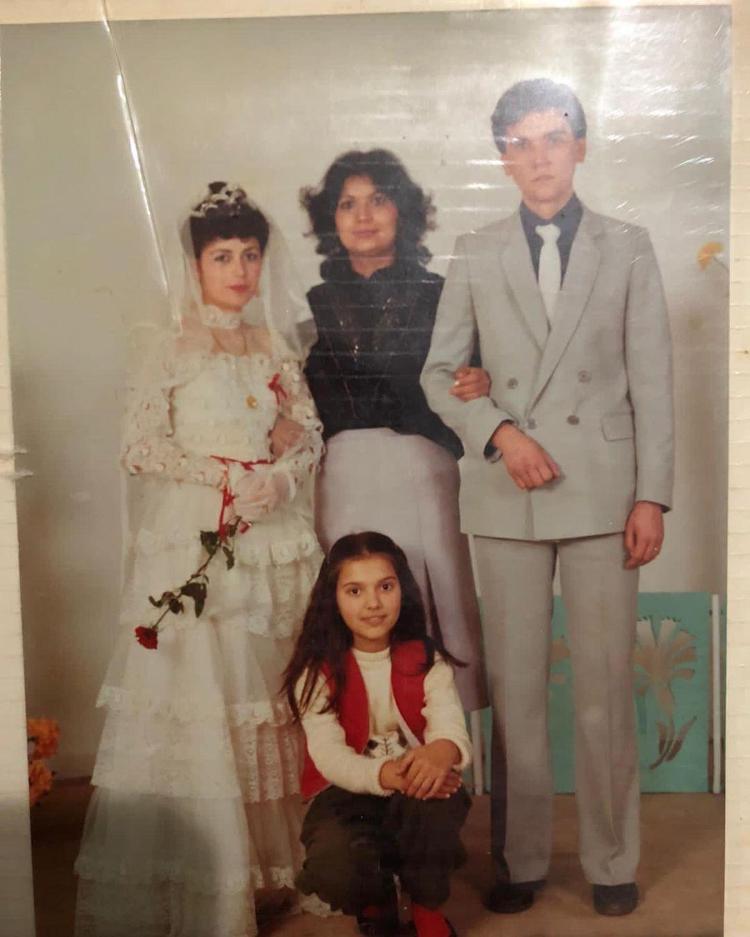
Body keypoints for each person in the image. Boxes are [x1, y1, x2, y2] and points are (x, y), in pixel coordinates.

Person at [421, 79, 674, 917]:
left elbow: (653, 380)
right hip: (508, 495)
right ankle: (521, 857)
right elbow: (439, 374)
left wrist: (653, 496)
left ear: (581, 147)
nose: (539, 157)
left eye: (554, 138)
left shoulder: (628, 246)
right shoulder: (475, 248)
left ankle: (612, 859)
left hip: (605, 495)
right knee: (518, 692)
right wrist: (500, 430)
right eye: (521, 143)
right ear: (502, 158)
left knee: (604, 687)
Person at [74, 183, 324, 937]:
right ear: (195, 265)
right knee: (203, 695)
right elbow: (139, 446)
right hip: (196, 534)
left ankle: (264, 872)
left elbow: (308, 432)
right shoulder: (168, 344)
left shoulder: (275, 346)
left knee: (263, 693)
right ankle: (207, 886)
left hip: (267, 531)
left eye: (250, 255)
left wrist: (281, 478)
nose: (240, 270)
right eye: (223, 257)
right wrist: (225, 474)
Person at [298, 149, 488, 713]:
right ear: (330, 219)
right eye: (347, 204)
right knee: (354, 606)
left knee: (428, 600)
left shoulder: (440, 294)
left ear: (402, 211)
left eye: (378, 200)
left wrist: (480, 378)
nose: (363, 216)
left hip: (420, 470)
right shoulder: (312, 305)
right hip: (340, 479)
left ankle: (446, 744)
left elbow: (472, 376)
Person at [282, 531, 472, 937]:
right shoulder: (317, 672)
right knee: (336, 861)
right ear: (333, 599)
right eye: (355, 591)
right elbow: (330, 756)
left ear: (403, 589)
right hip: (345, 792)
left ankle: (426, 907)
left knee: (437, 803)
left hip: (416, 784)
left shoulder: (425, 658)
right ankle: (374, 900)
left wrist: (442, 750)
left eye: (385, 587)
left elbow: (448, 721)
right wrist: (385, 774)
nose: (373, 603)